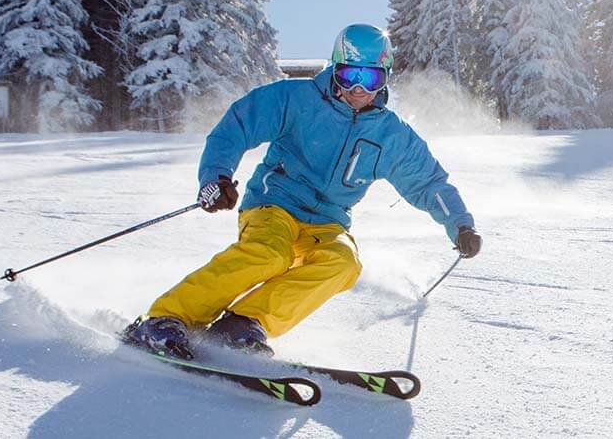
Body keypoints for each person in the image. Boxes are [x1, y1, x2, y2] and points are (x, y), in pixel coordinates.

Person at [125, 23, 482, 359]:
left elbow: (428, 183)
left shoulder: (392, 135)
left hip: (327, 223)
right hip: (273, 205)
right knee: (270, 254)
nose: (358, 89)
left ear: (385, 76)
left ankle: (241, 325)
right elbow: (236, 127)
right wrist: (215, 177)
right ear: (335, 69)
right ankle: (166, 317)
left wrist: (461, 225)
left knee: (343, 263)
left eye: (369, 77)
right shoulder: (296, 99)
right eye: (349, 75)